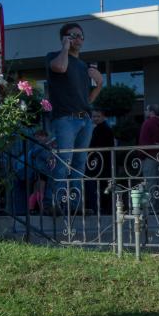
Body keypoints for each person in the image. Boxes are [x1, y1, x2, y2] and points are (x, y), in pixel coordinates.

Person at [45, 22, 103, 212]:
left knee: (79, 165)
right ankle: (55, 203)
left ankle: (75, 206)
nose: (79, 39)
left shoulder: (83, 66)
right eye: (74, 35)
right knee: (64, 162)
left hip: (84, 119)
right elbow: (60, 68)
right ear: (65, 37)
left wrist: (99, 84)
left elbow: (87, 99)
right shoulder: (55, 56)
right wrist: (64, 47)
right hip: (65, 119)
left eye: (81, 36)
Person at [137, 104, 159, 210]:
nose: (145, 112)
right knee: (158, 182)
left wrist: (141, 155)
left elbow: (143, 141)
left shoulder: (147, 123)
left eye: (146, 110)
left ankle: (149, 207)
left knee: (148, 182)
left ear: (151, 112)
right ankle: (157, 206)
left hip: (149, 156)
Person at [86, 108, 115, 213]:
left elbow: (95, 146)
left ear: (103, 116)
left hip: (100, 162)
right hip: (102, 162)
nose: (96, 118)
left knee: (101, 185)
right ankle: (104, 207)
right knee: (103, 185)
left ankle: (102, 208)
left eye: (98, 116)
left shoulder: (101, 129)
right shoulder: (101, 128)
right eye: (94, 116)